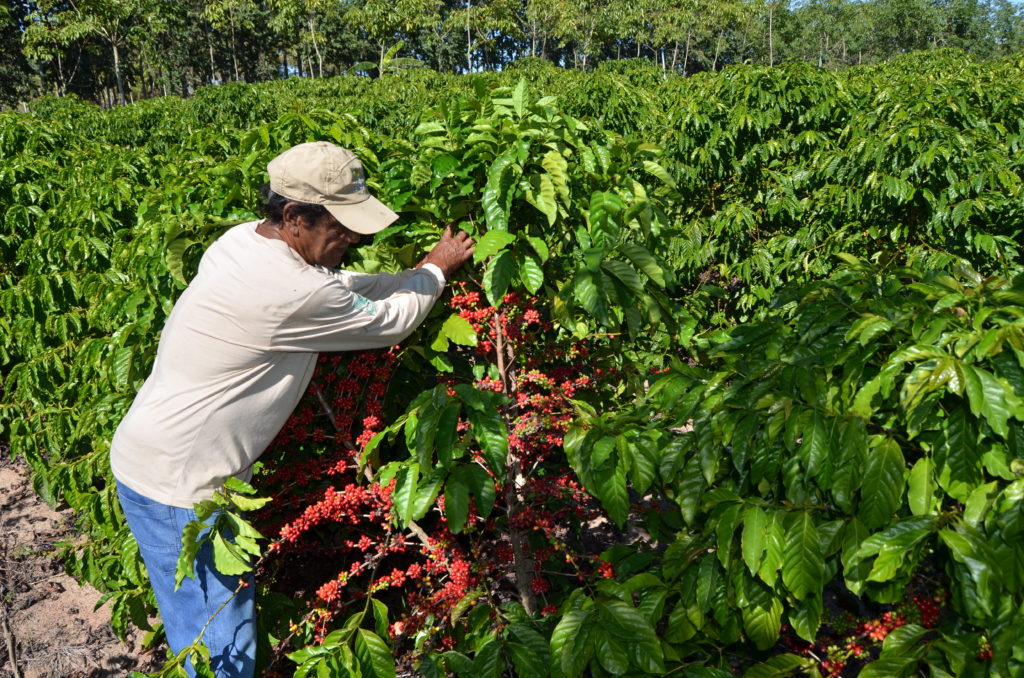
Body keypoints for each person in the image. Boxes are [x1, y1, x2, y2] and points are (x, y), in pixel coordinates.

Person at [109, 141, 474, 677]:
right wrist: (435, 271)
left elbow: (338, 285)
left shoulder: (244, 241)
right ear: (295, 216)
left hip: (154, 459)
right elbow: (386, 322)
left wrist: (414, 275)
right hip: (182, 489)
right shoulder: (286, 291)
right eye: (340, 225)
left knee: (199, 624)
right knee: (221, 650)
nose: (352, 237)